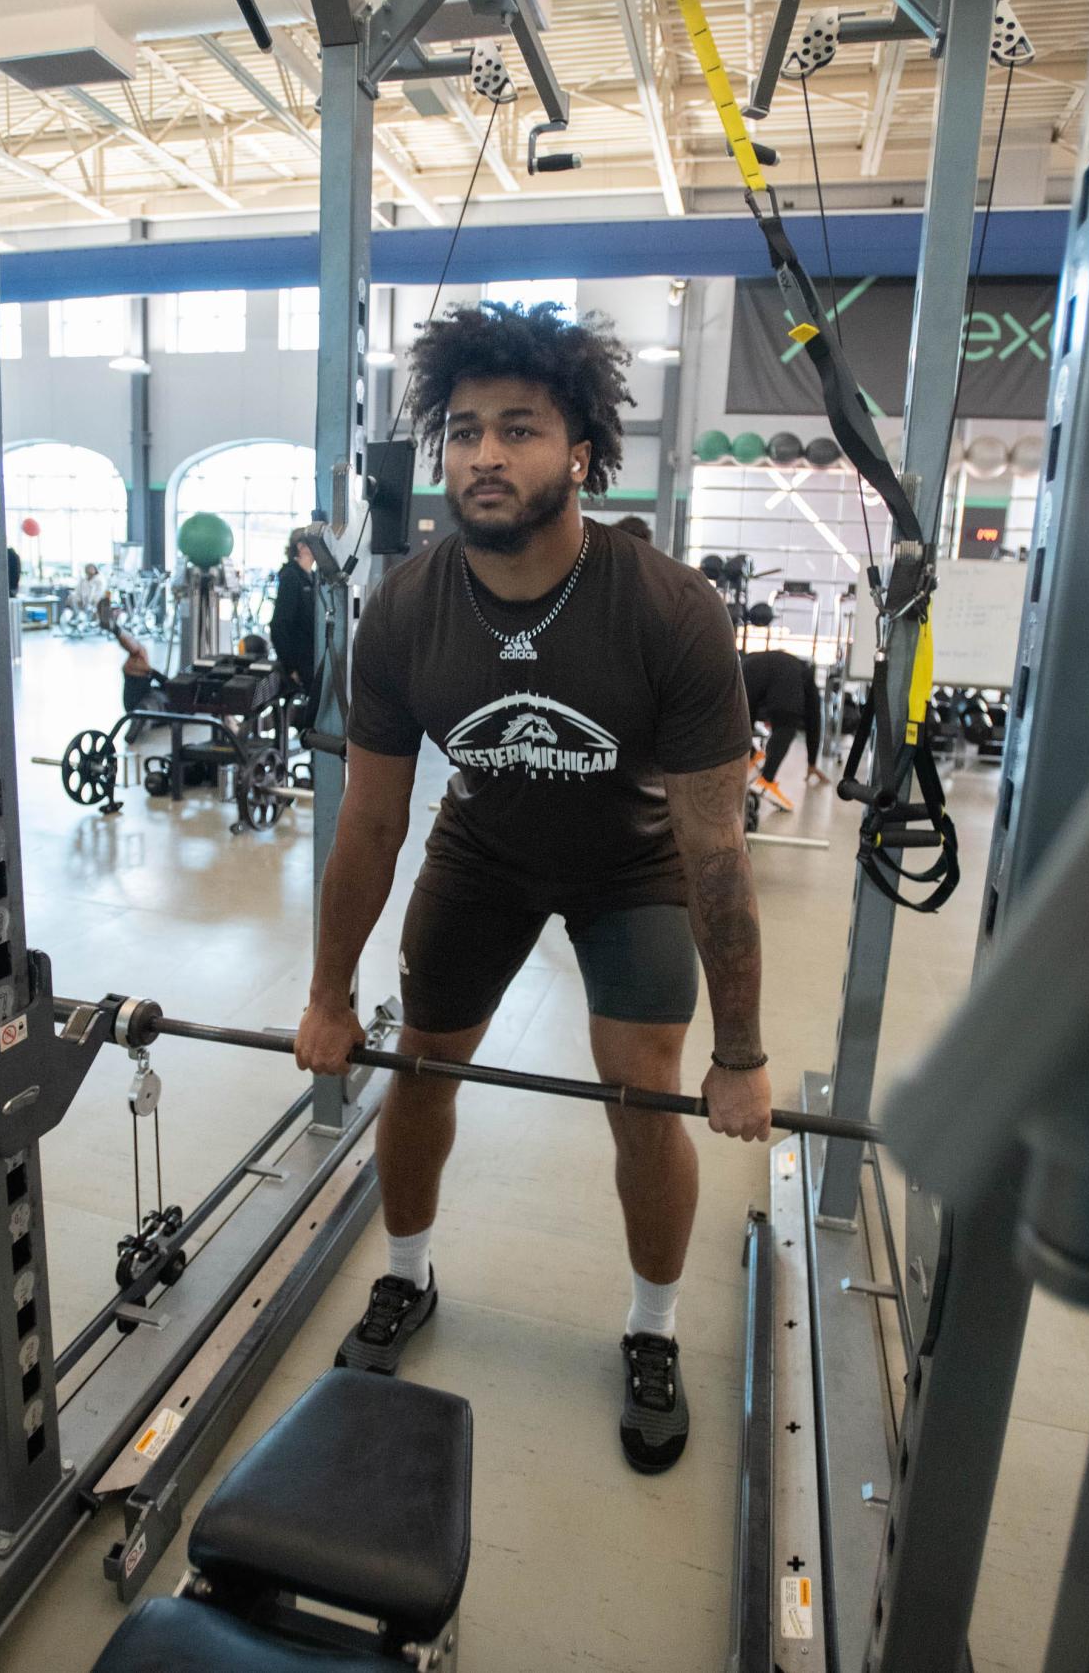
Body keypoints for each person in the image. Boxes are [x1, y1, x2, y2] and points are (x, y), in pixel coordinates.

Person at [295, 302, 771, 1475]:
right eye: (464, 432)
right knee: (419, 1069)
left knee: (645, 1095)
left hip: (635, 866)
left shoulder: (669, 610)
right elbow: (369, 817)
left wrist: (746, 1052)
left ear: (582, 455)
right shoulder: (404, 608)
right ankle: (406, 1277)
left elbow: (715, 850)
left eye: (519, 429)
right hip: (483, 858)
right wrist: (327, 993)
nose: (485, 456)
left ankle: (651, 1329)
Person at [740, 649, 829, 812]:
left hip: (746, 668)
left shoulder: (789, 666)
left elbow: (744, 717)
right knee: (787, 724)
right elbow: (814, 719)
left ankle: (752, 756)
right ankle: (766, 780)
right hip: (770, 675)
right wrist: (812, 762)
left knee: (743, 718)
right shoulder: (805, 676)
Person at [270, 530, 319, 698]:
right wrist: (291, 667)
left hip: (314, 657)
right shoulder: (291, 577)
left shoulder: (313, 577)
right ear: (301, 547)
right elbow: (279, 625)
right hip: (301, 661)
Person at [114, 616, 168, 744]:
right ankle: (115, 630)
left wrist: (151, 671)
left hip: (142, 701)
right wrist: (150, 671)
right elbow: (166, 683)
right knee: (138, 651)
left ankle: (115, 630)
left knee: (150, 704)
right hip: (140, 694)